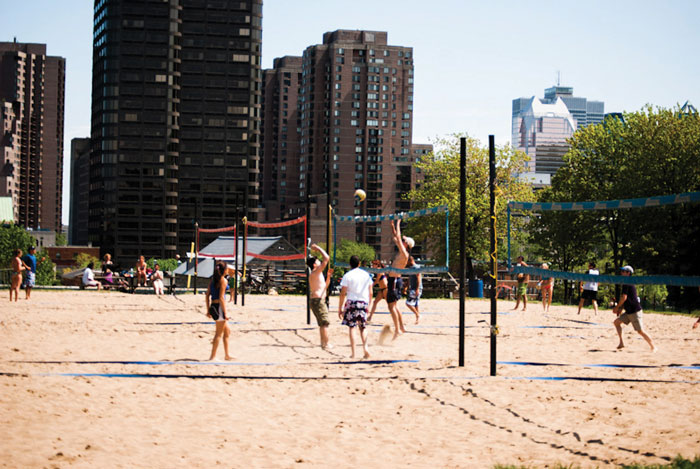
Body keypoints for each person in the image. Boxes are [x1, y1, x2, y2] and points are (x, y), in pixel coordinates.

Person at [337, 255, 373, 359]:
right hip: (363, 302)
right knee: (363, 327)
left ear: (350, 264)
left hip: (352, 302)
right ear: (359, 264)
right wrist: (369, 305)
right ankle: (366, 348)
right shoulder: (366, 275)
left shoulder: (347, 275)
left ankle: (353, 353)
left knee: (352, 327)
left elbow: (343, 293)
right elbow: (370, 292)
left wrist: (340, 308)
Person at [613, 265, 656, 352]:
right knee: (617, 322)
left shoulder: (627, 282)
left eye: (623, 271)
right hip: (629, 311)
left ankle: (653, 346)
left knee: (640, 331)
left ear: (628, 273)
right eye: (621, 271)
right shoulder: (627, 281)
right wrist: (621, 308)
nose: (621, 273)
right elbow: (627, 298)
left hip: (634, 311)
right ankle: (621, 343)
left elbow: (624, 297)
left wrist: (617, 307)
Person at [387, 219, 414, 339]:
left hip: (394, 280)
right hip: (394, 280)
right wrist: (392, 227)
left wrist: (398, 223)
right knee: (395, 306)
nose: (401, 241)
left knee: (391, 306)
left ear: (406, 244)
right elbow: (396, 237)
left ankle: (397, 329)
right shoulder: (402, 251)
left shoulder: (404, 253)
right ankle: (401, 327)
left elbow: (398, 236)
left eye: (403, 241)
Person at [307, 243, 333, 349]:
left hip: (316, 299)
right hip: (318, 300)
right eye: (317, 260)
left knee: (322, 324)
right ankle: (326, 344)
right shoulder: (316, 272)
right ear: (314, 264)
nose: (319, 261)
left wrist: (328, 277)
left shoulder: (315, 274)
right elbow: (327, 258)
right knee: (325, 323)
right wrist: (317, 248)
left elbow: (324, 287)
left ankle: (323, 343)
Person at [205, 261, 233, 360]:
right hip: (219, 307)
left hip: (214, 306)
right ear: (224, 270)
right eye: (227, 268)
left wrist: (208, 309)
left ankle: (227, 355)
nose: (228, 270)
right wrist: (225, 313)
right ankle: (212, 357)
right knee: (218, 333)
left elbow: (207, 295)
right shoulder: (223, 281)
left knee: (227, 331)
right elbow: (221, 298)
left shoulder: (213, 280)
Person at [404, 256, 423, 324]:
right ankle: (417, 318)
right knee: (416, 304)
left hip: (416, 288)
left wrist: (417, 289)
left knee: (408, 303)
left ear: (410, 260)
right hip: (413, 288)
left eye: (407, 261)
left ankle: (417, 314)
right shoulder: (411, 268)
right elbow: (410, 278)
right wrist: (406, 285)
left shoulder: (416, 267)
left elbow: (418, 278)